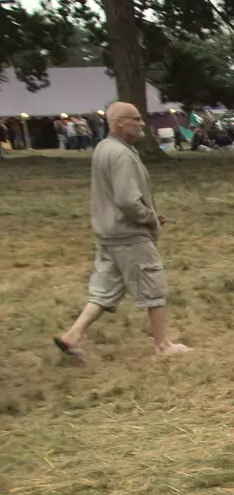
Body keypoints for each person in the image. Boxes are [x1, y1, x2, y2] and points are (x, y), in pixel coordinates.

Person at [53, 102, 189, 360]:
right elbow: (127, 200)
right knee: (153, 285)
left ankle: (73, 335)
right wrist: (150, 219)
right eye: (135, 119)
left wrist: (147, 211)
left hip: (109, 234)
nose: (141, 123)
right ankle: (163, 345)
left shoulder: (104, 148)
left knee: (105, 289)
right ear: (119, 123)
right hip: (128, 235)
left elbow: (118, 196)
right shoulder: (121, 154)